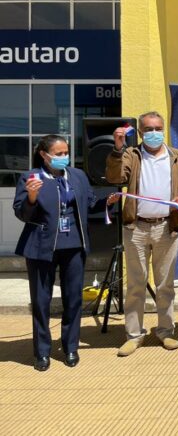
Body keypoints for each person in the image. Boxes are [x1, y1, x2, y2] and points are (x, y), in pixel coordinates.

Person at [14, 135, 120, 371]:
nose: (64, 157)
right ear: (44, 155)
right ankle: (42, 352)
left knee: (73, 299)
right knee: (41, 301)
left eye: (66, 152)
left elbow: (90, 204)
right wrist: (31, 198)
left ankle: (70, 346)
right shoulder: (31, 177)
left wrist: (107, 202)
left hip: (74, 245)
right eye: (59, 154)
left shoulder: (78, 176)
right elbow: (22, 214)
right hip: (41, 247)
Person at [106, 111, 178, 357]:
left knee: (165, 284)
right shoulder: (131, 154)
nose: (154, 133)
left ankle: (166, 331)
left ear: (163, 129)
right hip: (136, 228)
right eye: (148, 129)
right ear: (140, 132)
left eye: (158, 128)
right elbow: (115, 177)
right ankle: (134, 335)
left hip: (166, 227)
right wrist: (117, 150)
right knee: (136, 284)